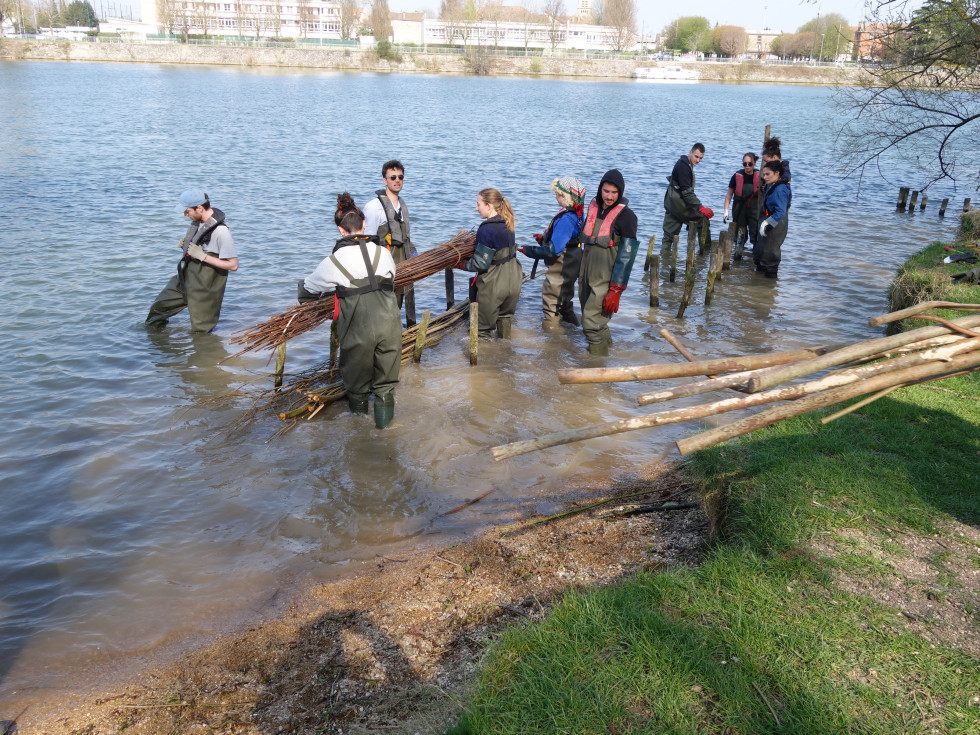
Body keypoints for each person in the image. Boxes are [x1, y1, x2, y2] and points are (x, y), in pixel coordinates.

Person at [300, 193, 401, 428]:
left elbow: (307, 290)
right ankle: (385, 435)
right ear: (364, 225)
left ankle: (360, 437)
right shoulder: (384, 253)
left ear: (340, 230)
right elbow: (390, 280)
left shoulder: (335, 260)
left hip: (358, 329)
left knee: (357, 387)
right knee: (385, 386)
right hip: (390, 325)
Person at [146, 188, 239, 333]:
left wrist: (204, 256)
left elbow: (233, 265)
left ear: (199, 208)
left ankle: (204, 347)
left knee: (201, 332)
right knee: (158, 309)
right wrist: (186, 245)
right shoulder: (197, 223)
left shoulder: (221, 231)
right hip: (185, 279)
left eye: (187, 210)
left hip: (205, 288)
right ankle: (151, 343)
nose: (185, 214)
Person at [578, 169, 639, 356]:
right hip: (586, 275)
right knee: (598, 321)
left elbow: (627, 257)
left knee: (590, 324)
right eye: (606, 191)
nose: (609, 196)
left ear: (620, 192)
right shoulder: (594, 208)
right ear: (600, 189)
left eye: (614, 192)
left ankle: (596, 364)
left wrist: (616, 290)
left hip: (606, 280)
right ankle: (607, 355)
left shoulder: (627, 217)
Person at [520, 176, 586, 328]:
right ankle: (575, 331)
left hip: (562, 263)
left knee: (552, 301)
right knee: (565, 300)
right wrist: (544, 238)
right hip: (574, 258)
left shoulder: (566, 219)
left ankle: (552, 337)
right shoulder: (577, 214)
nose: (556, 197)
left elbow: (554, 250)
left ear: (565, 197)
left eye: (557, 194)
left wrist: (530, 251)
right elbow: (568, 238)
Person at [459, 188, 522, 339]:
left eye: (478, 204)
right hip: (514, 281)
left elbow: (480, 264)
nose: (476, 208)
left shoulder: (486, 229)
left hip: (495, 285)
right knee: (504, 320)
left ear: (488, 206)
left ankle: (485, 355)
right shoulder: (508, 223)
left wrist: (460, 264)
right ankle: (506, 351)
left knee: (482, 332)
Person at [363, 160, 417, 326]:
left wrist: (414, 255)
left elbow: (405, 238)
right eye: (392, 177)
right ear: (384, 180)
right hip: (382, 269)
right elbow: (366, 242)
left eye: (400, 177)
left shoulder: (402, 205)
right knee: (381, 313)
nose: (397, 180)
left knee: (396, 309)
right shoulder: (374, 207)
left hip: (402, 267)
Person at [662, 143, 714, 251]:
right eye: (696, 156)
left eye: (701, 158)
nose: (698, 160)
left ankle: (664, 259)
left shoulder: (683, 162)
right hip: (678, 205)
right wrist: (701, 208)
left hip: (672, 205)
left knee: (668, 237)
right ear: (690, 152)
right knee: (702, 218)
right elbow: (687, 193)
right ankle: (705, 252)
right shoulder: (684, 167)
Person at [755, 160, 792, 279]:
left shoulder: (781, 189)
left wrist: (767, 223)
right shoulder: (772, 184)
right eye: (764, 174)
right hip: (767, 217)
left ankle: (770, 281)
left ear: (777, 173)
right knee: (761, 252)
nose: (765, 177)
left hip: (777, 221)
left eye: (768, 174)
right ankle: (759, 283)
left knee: (770, 253)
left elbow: (780, 212)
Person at [723, 152, 761, 252]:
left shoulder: (761, 177)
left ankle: (754, 256)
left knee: (755, 235)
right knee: (739, 236)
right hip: (739, 209)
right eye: (745, 164)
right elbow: (729, 195)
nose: (747, 166)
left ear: (754, 163)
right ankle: (738, 256)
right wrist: (726, 210)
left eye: (750, 164)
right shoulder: (736, 176)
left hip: (754, 210)